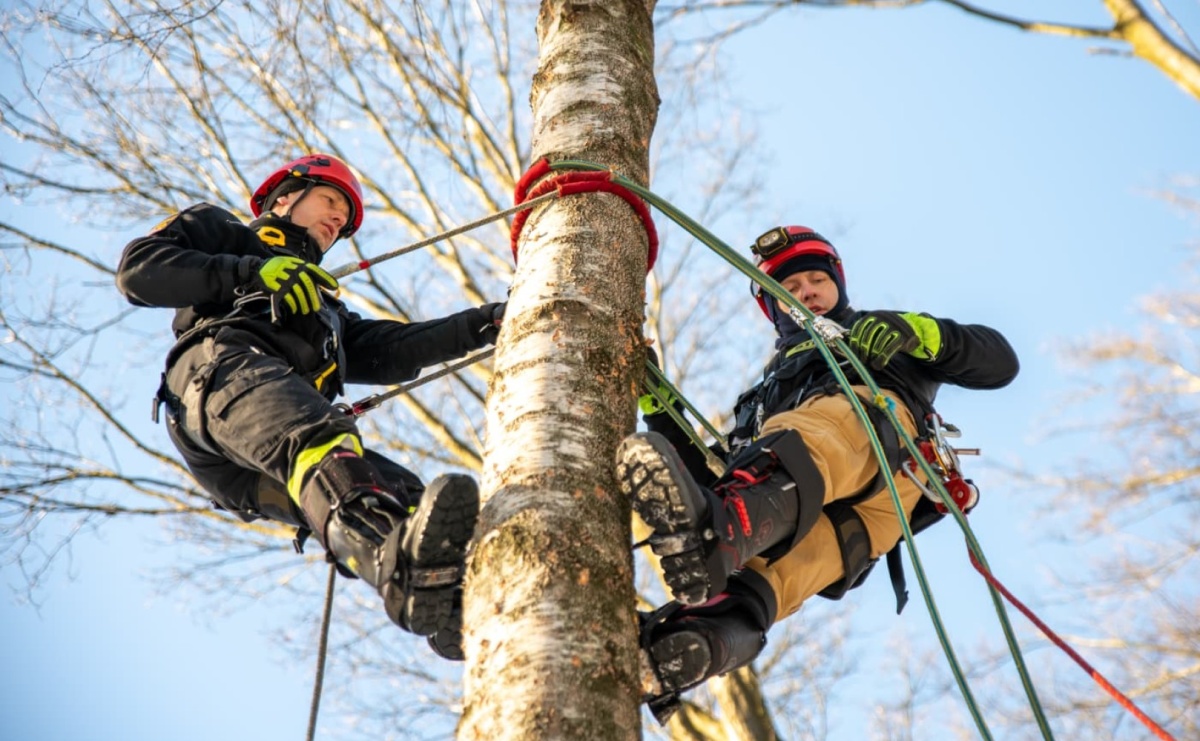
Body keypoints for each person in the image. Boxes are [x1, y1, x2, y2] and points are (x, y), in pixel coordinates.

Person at [617, 225, 1019, 720]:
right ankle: (687, 646)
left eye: (815, 279)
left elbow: (999, 362)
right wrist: (661, 408)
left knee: (800, 444)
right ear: (773, 307)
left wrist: (920, 332)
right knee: (757, 581)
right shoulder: (759, 404)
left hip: (877, 453)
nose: (806, 292)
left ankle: (722, 536)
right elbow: (707, 485)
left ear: (838, 285)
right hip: (839, 523)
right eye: (789, 289)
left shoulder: (879, 335)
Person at [116, 153, 504, 660]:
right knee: (321, 440)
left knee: (408, 498)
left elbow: (395, 349)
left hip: (263, 463)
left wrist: (488, 322)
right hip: (223, 378)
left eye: (344, 218)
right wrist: (251, 272)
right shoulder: (223, 232)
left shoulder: (328, 314)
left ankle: (478, 608)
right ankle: (399, 569)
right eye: (330, 200)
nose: (338, 220)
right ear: (284, 199)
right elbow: (139, 270)